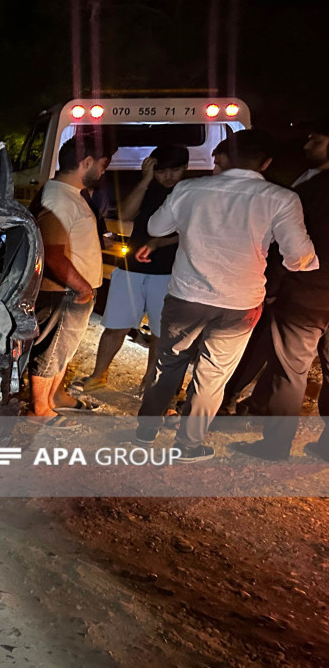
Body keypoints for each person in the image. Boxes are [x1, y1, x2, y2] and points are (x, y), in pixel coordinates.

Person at [135, 129, 319, 460]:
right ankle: (188, 445)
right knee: (213, 375)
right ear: (265, 162)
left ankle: (145, 431)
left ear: (220, 158)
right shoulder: (281, 198)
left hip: (186, 296)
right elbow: (299, 258)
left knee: (169, 363)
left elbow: (156, 228)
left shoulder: (189, 189)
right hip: (240, 302)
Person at [231, 119, 329, 460]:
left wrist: (272, 288)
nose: (307, 144)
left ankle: (275, 446)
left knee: (290, 371)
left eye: (315, 139)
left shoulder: (310, 191)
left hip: (306, 297)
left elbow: (287, 245)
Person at [80, 145, 189, 393]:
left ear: (185, 168)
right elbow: (126, 215)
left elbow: (194, 231)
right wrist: (145, 180)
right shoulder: (147, 186)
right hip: (131, 269)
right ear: (152, 167)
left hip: (169, 272)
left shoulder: (189, 191)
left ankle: (150, 381)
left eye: (175, 170)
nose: (168, 176)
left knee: (161, 333)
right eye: (162, 171)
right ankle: (99, 375)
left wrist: (162, 242)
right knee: (115, 326)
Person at [26, 134, 113, 424]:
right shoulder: (58, 198)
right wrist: (81, 287)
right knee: (50, 351)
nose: (103, 171)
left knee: (63, 349)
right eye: (102, 165)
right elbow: (51, 253)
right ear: (86, 162)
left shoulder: (68, 194)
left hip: (71, 292)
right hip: (63, 292)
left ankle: (56, 396)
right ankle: (39, 410)